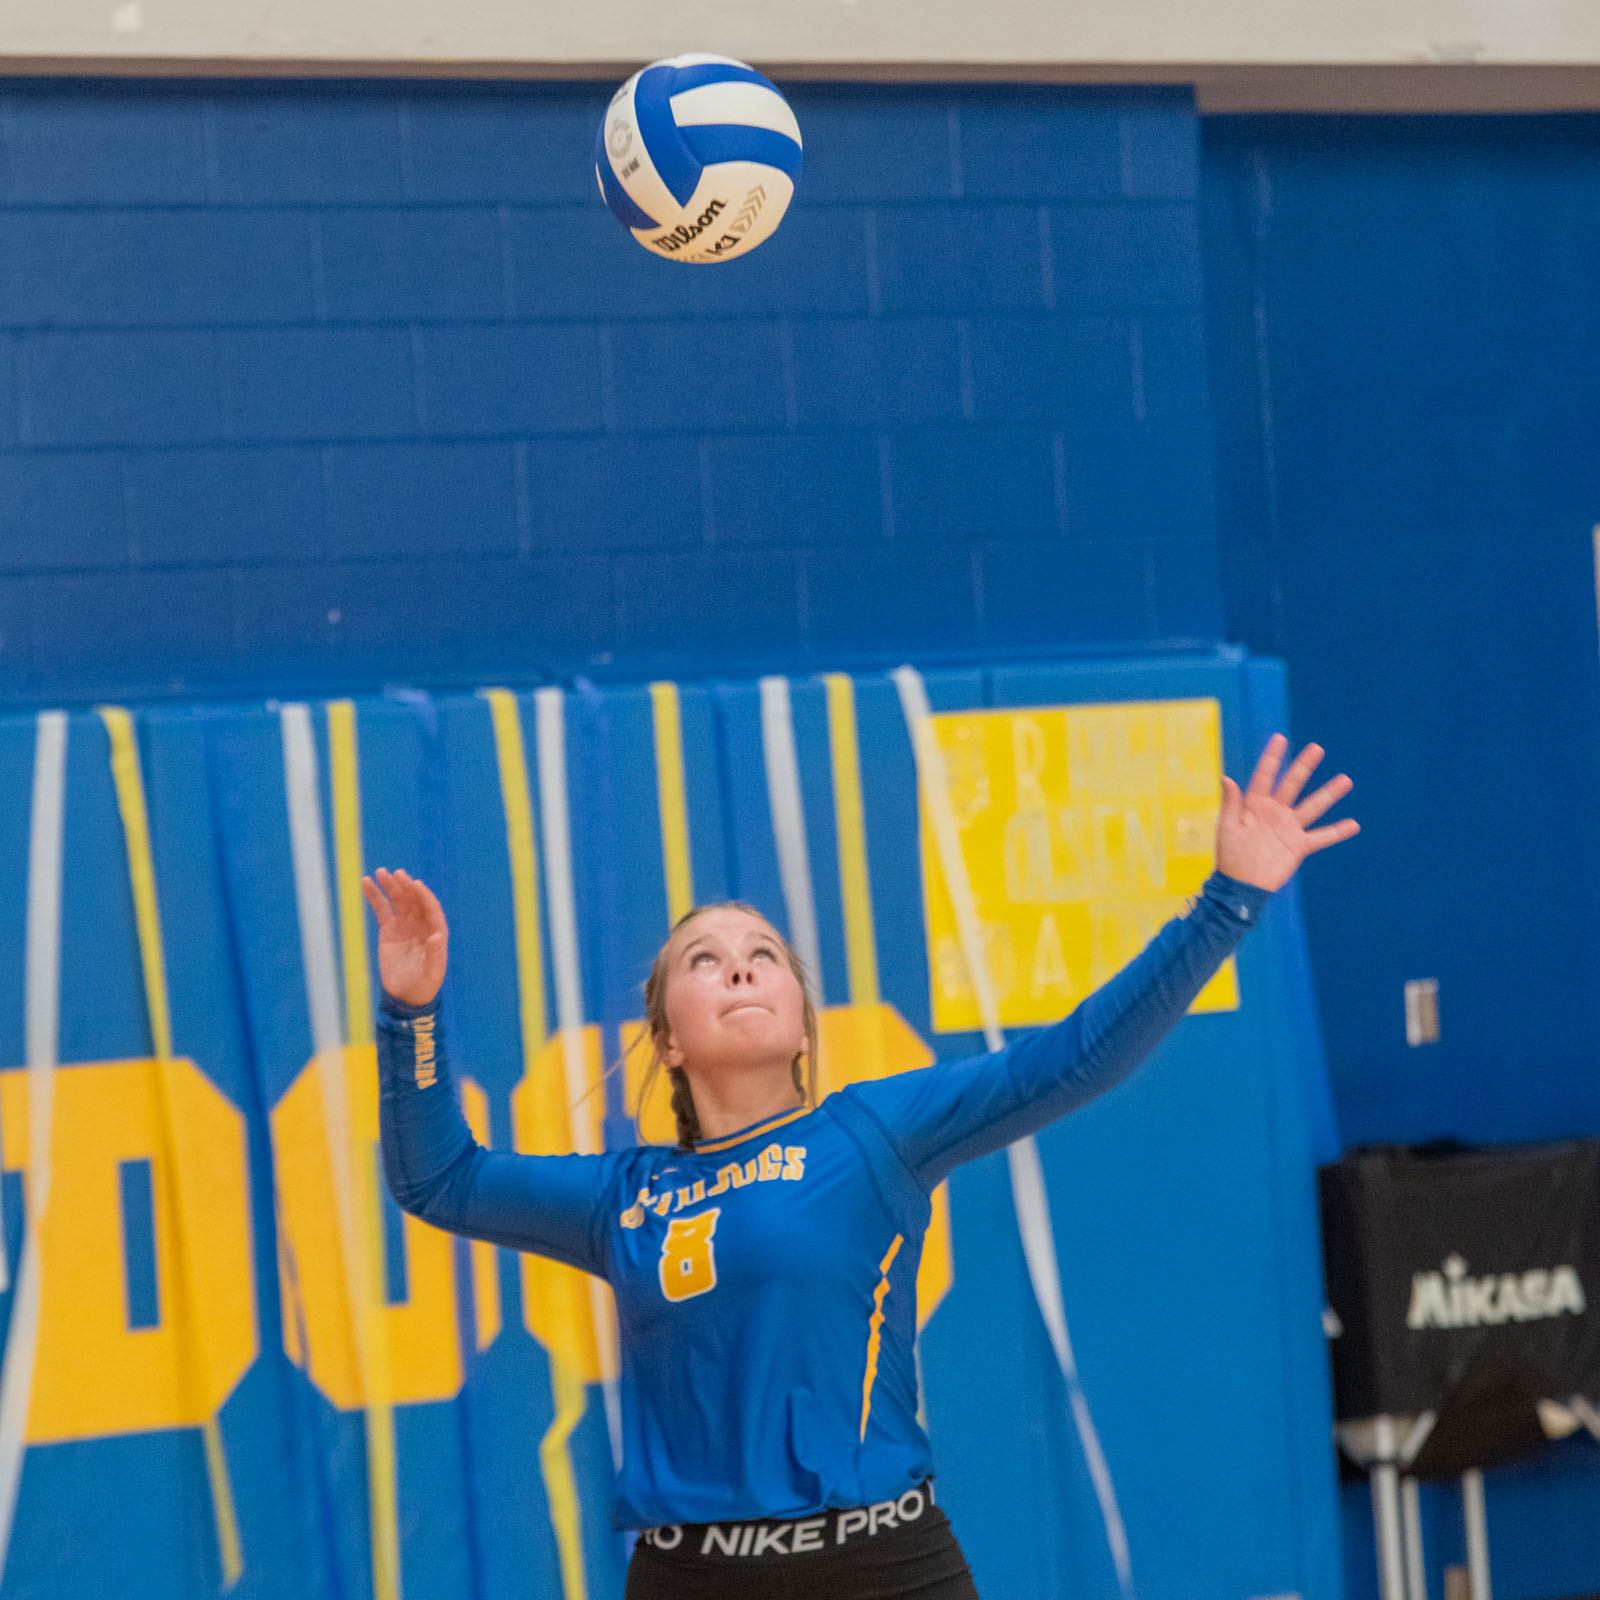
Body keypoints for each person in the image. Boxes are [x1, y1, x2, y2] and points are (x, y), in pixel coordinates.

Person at [365, 733, 1357, 1600]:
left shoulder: (872, 1131)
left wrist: (1227, 903)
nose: (739, 964)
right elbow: (438, 1179)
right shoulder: (621, 1199)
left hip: (882, 1563)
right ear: (667, 1039)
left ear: (802, 1022)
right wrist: (411, 1011)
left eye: (763, 953)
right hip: (691, 1575)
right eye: (703, 959)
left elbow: (1074, 1056)